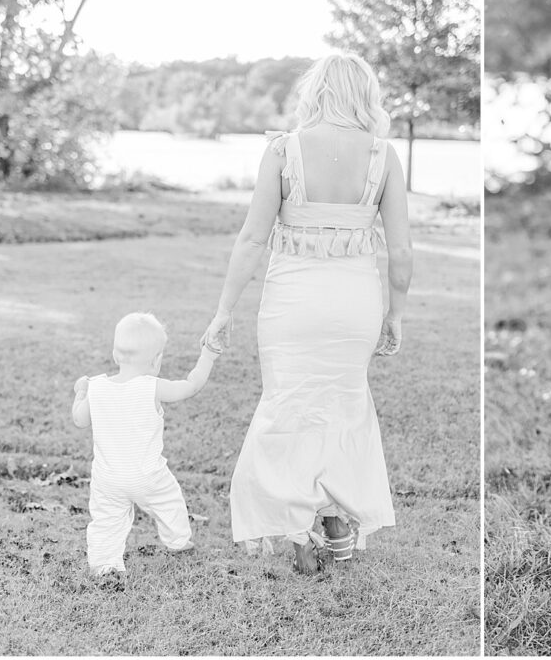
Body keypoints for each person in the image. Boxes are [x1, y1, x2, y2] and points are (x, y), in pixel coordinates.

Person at [202, 53, 413, 574]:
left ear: (314, 92)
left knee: (288, 408)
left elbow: (253, 237)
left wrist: (224, 310)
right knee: (344, 408)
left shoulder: (282, 150)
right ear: (365, 95)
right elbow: (402, 251)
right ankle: (338, 522)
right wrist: (395, 314)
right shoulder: (383, 155)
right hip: (354, 304)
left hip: (291, 304)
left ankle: (298, 531)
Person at [72, 311, 224, 576]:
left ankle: (105, 565)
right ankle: (178, 541)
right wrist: (207, 356)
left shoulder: (97, 387)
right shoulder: (152, 386)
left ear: (115, 354)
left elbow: (80, 420)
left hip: (108, 477)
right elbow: (191, 386)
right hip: (147, 476)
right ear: (156, 361)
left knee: (107, 520)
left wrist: (80, 394)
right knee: (170, 501)